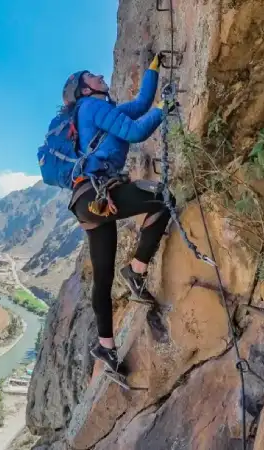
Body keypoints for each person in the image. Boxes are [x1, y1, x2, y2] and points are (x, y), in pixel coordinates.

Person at [60, 53, 177, 375]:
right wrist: (165, 110)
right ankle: (136, 272)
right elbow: (137, 132)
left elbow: (140, 104)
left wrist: (153, 69)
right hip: (99, 195)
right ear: (85, 90)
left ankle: (106, 347)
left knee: (102, 278)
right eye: (92, 76)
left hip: (88, 202)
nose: (99, 75)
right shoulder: (93, 107)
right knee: (165, 199)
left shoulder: (101, 110)